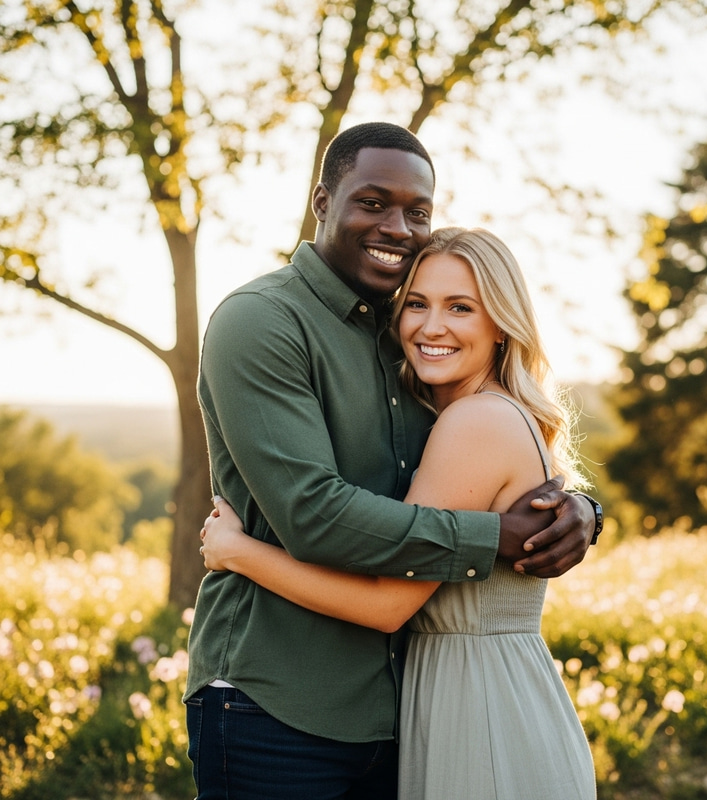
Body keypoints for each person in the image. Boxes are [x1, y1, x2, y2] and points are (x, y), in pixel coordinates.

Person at [184, 122, 601, 800]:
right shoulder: (264, 321)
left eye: (417, 211)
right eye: (372, 202)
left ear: (499, 321)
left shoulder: (405, 338)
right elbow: (314, 516)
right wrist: (495, 537)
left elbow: (487, 465)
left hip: (404, 716)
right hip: (276, 706)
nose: (397, 227)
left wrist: (583, 509)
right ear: (323, 201)